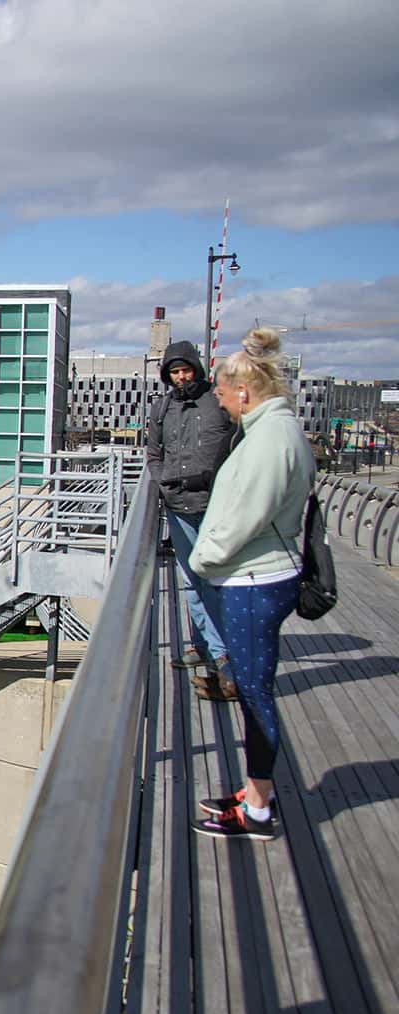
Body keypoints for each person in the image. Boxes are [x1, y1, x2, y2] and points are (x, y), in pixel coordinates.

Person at [188, 328, 316, 842]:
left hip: (253, 580)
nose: (218, 403)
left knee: (256, 694)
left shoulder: (267, 440)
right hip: (264, 574)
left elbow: (245, 514)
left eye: (220, 393)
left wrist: (202, 557)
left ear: (244, 390)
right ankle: (255, 790)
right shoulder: (279, 429)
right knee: (254, 689)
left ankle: (258, 810)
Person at [145, 338, 238, 702]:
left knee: (216, 580)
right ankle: (212, 649)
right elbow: (154, 453)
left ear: (198, 370)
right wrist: (162, 485)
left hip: (218, 506)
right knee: (193, 581)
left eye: (186, 370)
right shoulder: (162, 409)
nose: (181, 377)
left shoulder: (219, 403)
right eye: (175, 372)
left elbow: (237, 443)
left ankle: (220, 653)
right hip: (179, 505)